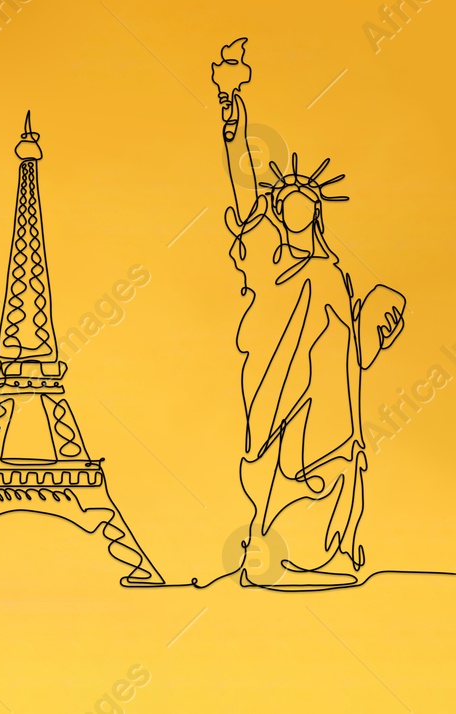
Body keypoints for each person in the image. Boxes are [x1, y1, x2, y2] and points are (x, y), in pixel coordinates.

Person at [211, 38, 405, 589]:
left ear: (316, 212)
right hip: (275, 378)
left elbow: (351, 355)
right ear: (276, 210)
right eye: (285, 198)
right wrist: (233, 106)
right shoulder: (268, 257)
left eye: (306, 200)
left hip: (330, 400)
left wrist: (376, 323)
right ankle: (266, 549)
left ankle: (334, 551)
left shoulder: (331, 273)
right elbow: (241, 175)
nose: (295, 205)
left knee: (339, 464)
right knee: (273, 463)